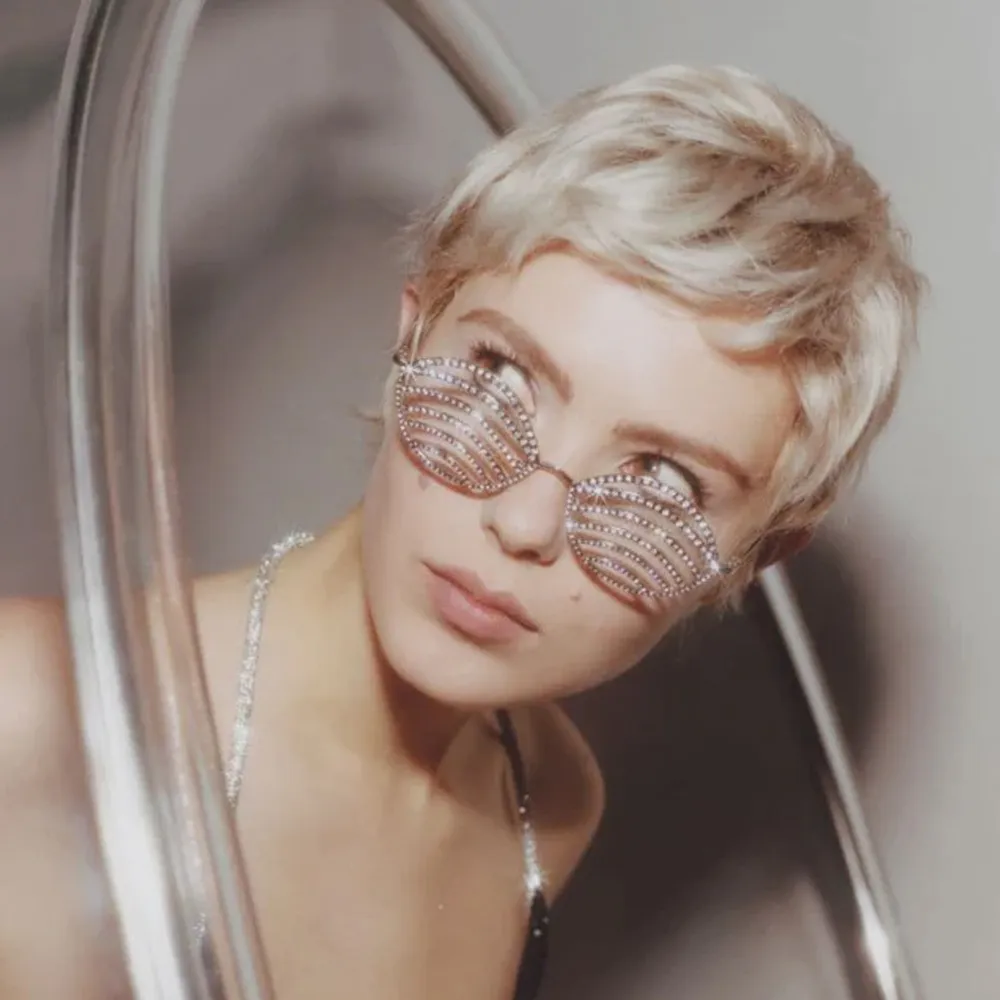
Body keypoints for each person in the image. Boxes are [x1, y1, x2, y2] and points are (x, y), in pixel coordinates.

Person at [0, 64, 921, 1000]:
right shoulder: (31, 720)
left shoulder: (546, 805)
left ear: (759, 555)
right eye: (503, 379)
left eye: (662, 480)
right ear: (414, 328)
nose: (523, 523)